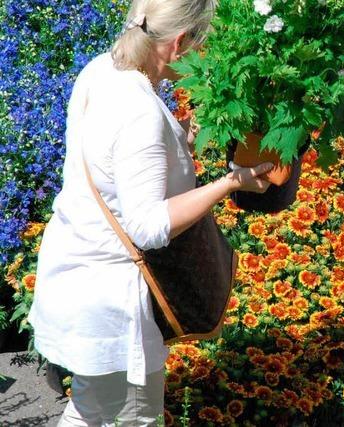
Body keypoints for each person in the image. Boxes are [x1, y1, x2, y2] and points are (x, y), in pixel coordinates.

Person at [26, 0, 273, 425]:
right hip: (111, 301)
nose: (205, 57)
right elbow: (147, 226)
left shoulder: (104, 69)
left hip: (75, 271)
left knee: (91, 410)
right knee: (131, 417)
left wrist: (181, 141)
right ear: (179, 43)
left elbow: (113, 167)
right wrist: (231, 183)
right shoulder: (139, 112)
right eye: (203, 45)